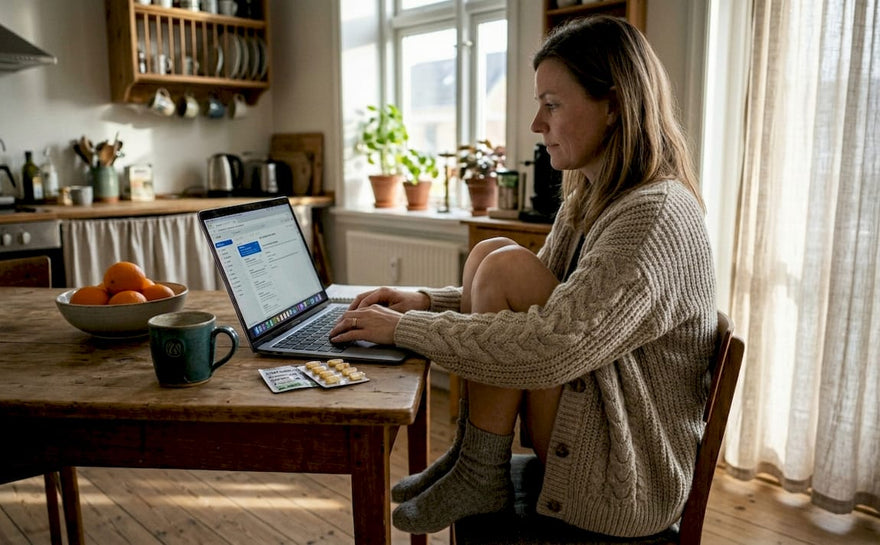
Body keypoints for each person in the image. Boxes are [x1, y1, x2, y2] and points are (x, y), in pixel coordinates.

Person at [329, 15, 717, 538]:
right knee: (492, 250)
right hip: (591, 408)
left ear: (614, 105)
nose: (537, 124)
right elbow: (551, 304)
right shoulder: (591, 195)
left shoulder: (654, 215)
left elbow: (552, 343)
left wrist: (403, 331)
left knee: (507, 263)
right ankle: (477, 463)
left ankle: (478, 468)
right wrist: (422, 302)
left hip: (621, 474)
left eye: (552, 105)